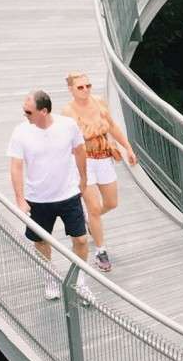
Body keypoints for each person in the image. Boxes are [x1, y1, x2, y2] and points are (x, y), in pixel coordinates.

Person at [8, 89, 91, 301]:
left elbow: (80, 150)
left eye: (28, 111)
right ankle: (51, 277)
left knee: (81, 239)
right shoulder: (21, 132)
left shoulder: (68, 126)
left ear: (43, 111)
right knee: (41, 241)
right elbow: (16, 166)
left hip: (68, 194)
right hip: (38, 198)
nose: (25, 115)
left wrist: (83, 179)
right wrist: (20, 198)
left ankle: (80, 280)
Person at [65, 70, 137, 274]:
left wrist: (127, 147)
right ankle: (100, 249)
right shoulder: (69, 111)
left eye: (88, 86)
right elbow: (81, 135)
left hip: (103, 157)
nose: (85, 90)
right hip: (84, 162)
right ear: (71, 89)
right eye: (80, 87)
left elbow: (112, 126)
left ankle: (90, 220)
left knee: (112, 203)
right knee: (94, 207)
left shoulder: (99, 102)